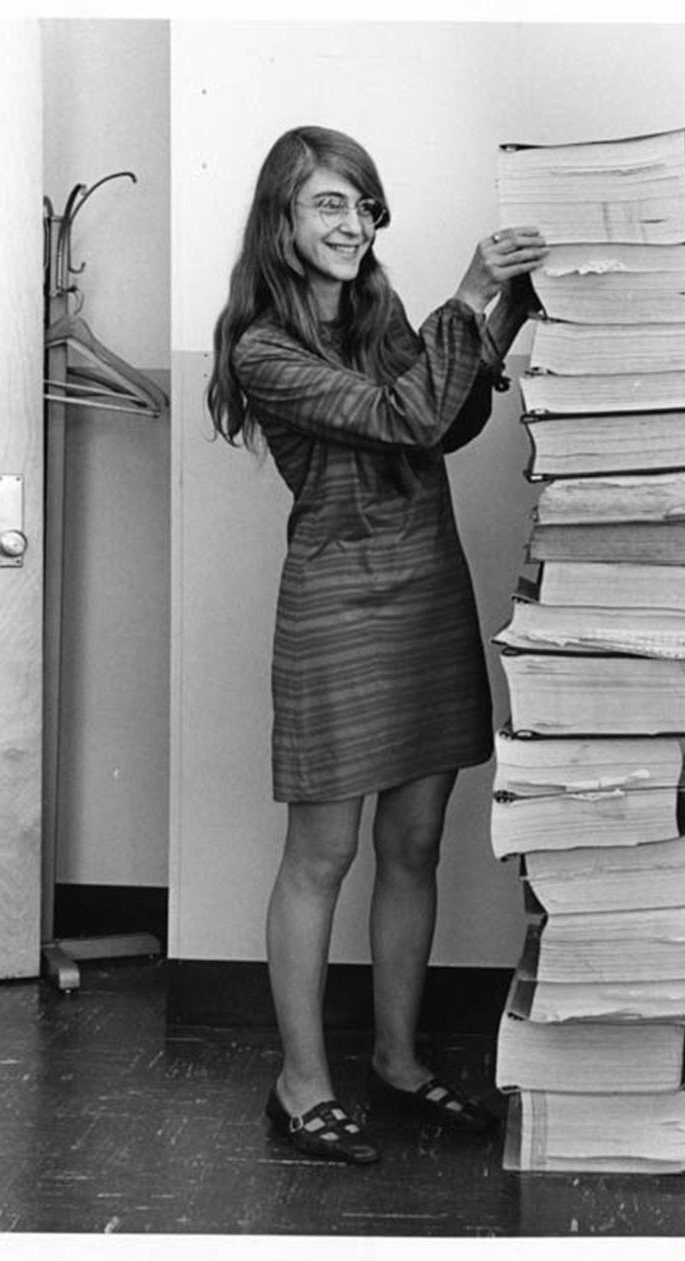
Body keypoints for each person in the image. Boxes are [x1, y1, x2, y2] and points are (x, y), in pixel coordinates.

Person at [207, 125, 547, 1165]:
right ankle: (300, 1084)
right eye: (327, 205)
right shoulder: (263, 348)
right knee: (325, 852)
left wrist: (513, 306)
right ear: (282, 218)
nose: (352, 224)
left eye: (361, 205)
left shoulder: (378, 309)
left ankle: (397, 1059)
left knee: (411, 843)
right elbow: (403, 413)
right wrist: (470, 290)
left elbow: (441, 423)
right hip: (337, 604)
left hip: (423, 588)